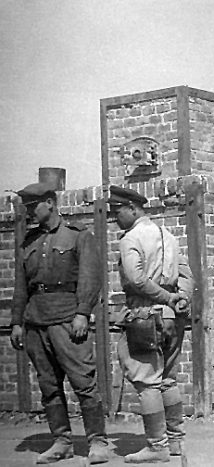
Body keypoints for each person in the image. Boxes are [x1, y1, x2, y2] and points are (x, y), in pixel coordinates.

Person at [11, 182, 110, 464]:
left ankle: (97, 441)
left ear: (51, 203)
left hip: (67, 320)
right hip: (36, 321)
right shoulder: (29, 242)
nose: (30, 211)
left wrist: (82, 313)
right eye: (27, 207)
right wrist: (17, 321)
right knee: (49, 386)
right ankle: (62, 441)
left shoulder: (78, 236)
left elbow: (91, 277)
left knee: (83, 382)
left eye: (34, 206)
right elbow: (21, 286)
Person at [107, 185, 193, 463]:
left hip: (145, 315)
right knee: (167, 379)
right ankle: (176, 441)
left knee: (147, 381)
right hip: (172, 317)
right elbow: (187, 276)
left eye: (117, 211)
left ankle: (157, 446)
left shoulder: (131, 238)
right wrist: (178, 301)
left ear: (133, 208)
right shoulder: (169, 236)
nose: (114, 217)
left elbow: (136, 280)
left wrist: (167, 298)